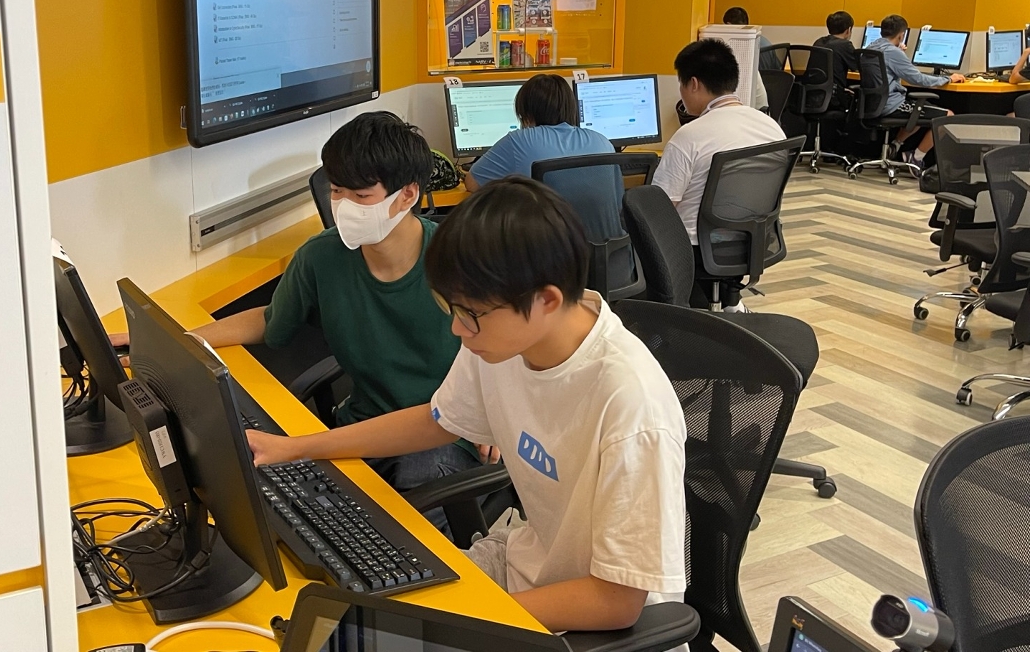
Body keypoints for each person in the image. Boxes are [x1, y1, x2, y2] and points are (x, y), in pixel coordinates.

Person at [246, 178, 687, 633]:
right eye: (450, 307)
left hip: (597, 623)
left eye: (470, 314)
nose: (457, 329)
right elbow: (437, 420)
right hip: (527, 564)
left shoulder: (631, 405)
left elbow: (617, 602)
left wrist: (455, 621)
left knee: (385, 630)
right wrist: (296, 448)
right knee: (344, 607)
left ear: (546, 300)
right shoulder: (506, 340)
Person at [114, 112, 489, 533]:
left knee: (404, 533)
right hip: (365, 424)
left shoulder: (459, 261)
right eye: (337, 191)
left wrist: (494, 413)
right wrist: (172, 343)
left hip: (446, 434)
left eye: (361, 195)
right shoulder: (321, 256)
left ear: (407, 195)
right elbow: (272, 319)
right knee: (290, 512)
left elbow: (510, 350)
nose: (344, 206)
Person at [652, 38, 786, 310]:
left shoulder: (689, 137)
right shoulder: (771, 128)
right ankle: (730, 304)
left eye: (681, 84)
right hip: (755, 242)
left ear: (693, 83)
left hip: (696, 251)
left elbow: (660, 209)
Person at [463, 72, 624, 246]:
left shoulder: (519, 140)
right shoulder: (603, 141)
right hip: (611, 258)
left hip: (551, 259)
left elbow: (472, 183)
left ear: (526, 114)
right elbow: (617, 203)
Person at [865, 15, 961, 170]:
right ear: (901, 35)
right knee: (948, 117)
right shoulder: (893, 52)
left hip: (872, 104)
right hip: (890, 105)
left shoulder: (870, 48)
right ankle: (916, 157)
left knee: (918, 108)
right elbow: (918, 79)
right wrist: (948, 79)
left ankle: (895, 146)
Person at [722, 6, 773, 111]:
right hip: (764, 100)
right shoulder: (762, 41)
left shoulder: (742, 54)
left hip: (754, 109)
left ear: (728, 25)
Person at [813, 10, 859, 93]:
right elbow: (858, 67)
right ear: (848, 30)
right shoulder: (845, 45)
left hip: (815, 93)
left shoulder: (818, 42)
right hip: (834, 94)